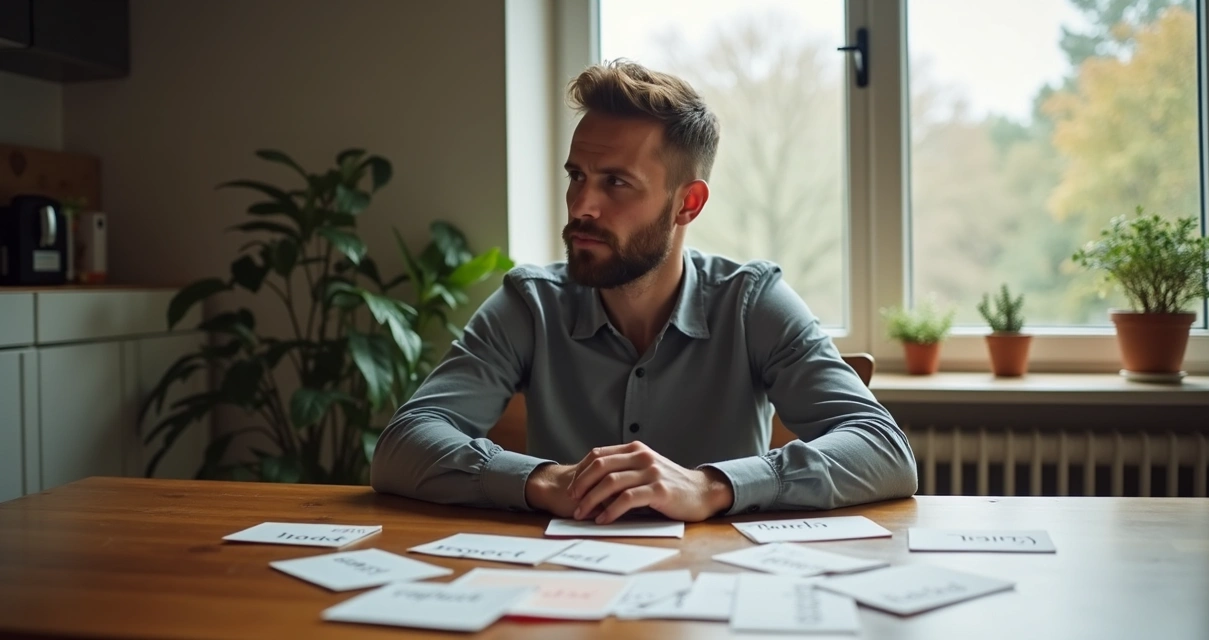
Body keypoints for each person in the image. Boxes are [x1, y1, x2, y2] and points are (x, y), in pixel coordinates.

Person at [371, 59, 917, 524]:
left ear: (688, 204)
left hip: (721, 590)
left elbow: (885, 451)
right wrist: (544, 480)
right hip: (566, 591)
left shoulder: (751, 302)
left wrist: (710, 487)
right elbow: (401, 447)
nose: (582, 205)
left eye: (615, 182)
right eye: (576, 176)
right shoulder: (529, 305)